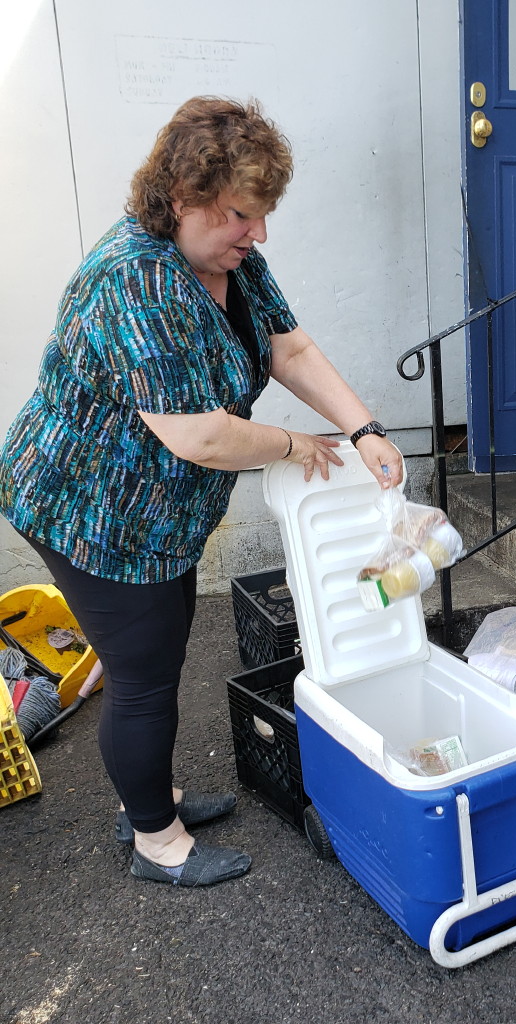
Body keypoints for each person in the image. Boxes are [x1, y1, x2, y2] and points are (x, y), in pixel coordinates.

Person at [0, 96, 403, 887]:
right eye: (240, 216)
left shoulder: (229, 259)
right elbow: (199, 434)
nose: (257, 234)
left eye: (261, 216)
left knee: (164, 648)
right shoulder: (133, 278)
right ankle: (156, 839)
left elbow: (290, 348)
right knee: (145, 672)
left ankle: (153, 795)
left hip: (160, 509)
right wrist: (299, 448)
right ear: (181, 199)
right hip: (92, 511)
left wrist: (364, 428)